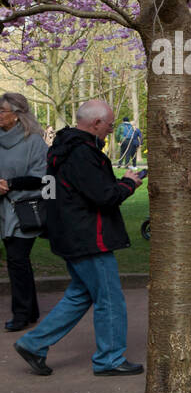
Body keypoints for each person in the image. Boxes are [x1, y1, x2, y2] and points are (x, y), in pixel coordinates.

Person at [13, 100, 144, 377]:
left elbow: (51, 190)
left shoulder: (61, 148)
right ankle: (109, 359)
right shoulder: (83, 153)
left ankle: (33, 343)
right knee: (109, 299)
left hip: (68, 234)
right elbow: (104, 196)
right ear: (96, 124)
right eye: (109, 125)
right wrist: (129, 183)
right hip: (88, 238)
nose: (111, 131)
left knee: (80, 295)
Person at [0, 93, 50, 332]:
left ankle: (21, 314)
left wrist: (10, 184)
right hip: (3, 210)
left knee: (17, 260)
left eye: (2, 111)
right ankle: (29, 311)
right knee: (18, 262)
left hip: (23, 209)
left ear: (18, 115)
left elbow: (43, 178)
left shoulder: (35, 142)